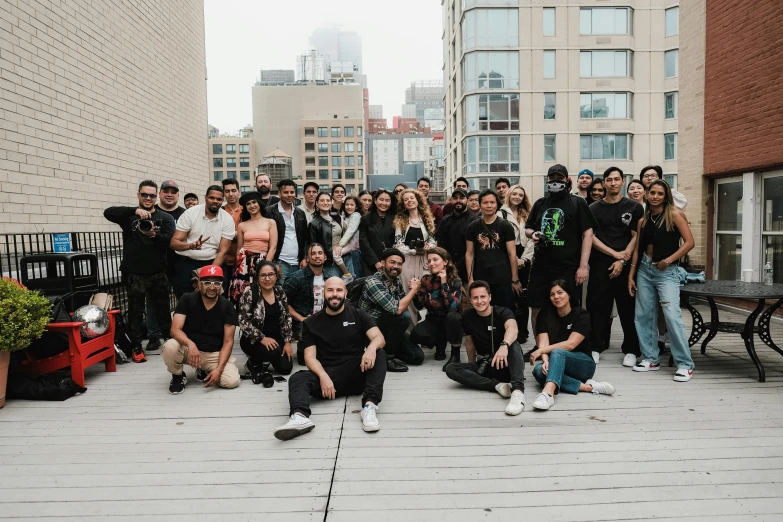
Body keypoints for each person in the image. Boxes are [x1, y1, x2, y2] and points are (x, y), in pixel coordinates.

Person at [273, 277, 386, 440]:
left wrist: (371, 348)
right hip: (328, 381)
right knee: (297, 378)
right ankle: (299, 417)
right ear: (322, 293)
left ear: (345, 293)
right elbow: (309, 357)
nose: (335, 294)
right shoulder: (311, 323)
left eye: (339, 290)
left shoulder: (358, 314)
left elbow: (379, 338)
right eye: (330, 290)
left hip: (357, 374)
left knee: (379, 353)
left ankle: (369, 407)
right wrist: (323, 376)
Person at [629, 179, 696, 382]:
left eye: (660, 193)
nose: (656, 196)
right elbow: (637, 249)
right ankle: (651, 358)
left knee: (671, 315)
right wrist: (631, 276)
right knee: (643, 315)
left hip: (667, 271)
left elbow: (690, 242)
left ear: (666, 196)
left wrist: (668, 260)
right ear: (647, 194)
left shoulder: (674, 215)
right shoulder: (643, 220)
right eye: (652, 193)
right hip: (644, 269)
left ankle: (685, 363)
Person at [104, 180, 175, 363]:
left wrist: (154, 235)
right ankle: (136, 347)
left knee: (163, 310)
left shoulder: (164, 217)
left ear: (156, 196)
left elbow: (169, 240)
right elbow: (108, 212)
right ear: (138, 195)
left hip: (158, 271)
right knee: (135, 311)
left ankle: (170, 343)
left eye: (152, 195)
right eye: (144, 195)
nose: (148, 198)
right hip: (134, 272)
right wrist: (133, 211)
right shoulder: (130, 216)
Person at [525, 164, 596, 335]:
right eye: (552, 178)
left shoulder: (577, 202)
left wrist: (583, 266)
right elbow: (528, 228)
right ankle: (540, 346)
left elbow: (588, 234)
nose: (555, 181)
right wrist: (533, 234)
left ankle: (565, 345)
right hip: (541, 266)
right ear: (547, 180)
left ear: (567, 180)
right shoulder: (540, 203)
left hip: (568, 266)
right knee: (537, 307)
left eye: (559, 178)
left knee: (569, 308)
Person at [528, 280, 615, 411]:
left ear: (569, 294)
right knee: (538, 370)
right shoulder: (545, 315)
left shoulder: (581, 315)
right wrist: (545, 360)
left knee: (557, 352)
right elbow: (543, 343)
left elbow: (571, 344)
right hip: (557, 363)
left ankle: (548, 394)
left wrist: (541, 351)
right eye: (552, 294)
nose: (556, 297)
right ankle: (589, 387)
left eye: (560, 292)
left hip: (583, 364)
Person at [587, 167, 643, 367]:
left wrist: (622, 260)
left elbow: (636, 236)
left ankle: (631, 349)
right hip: (601, 263)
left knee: (628, 307)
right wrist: (614, 255)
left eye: (616, 179)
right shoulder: (594, 208)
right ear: (604, 184)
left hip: (625, 265)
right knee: (598, 306)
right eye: (609, 180)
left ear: (622, 182)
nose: (612, 183)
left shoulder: (634, 207)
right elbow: (590, 237)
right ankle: (595, 347)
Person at [445, 281, 526, 416]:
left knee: (513, 343)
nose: (479, 301)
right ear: (471, 299)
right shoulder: (468, 316)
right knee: (451, 369)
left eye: (483, 297)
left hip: (507, 364)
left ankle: (517, 391)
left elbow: (513, 329)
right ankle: (498, 386)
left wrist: (504, 345)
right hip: (487, 365)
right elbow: (469, 342)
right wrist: (473, 367)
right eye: (475, 298)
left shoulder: (503, 312)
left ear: (490, 297)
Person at [163, 265, 241, 394]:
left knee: (231, 381)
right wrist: (190, 343)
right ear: (199, 284)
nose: (212, 287)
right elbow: (175, 330)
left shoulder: (227, 306)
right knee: (170, 345)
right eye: (207, 283)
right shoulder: (187, 299)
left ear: (221, 285)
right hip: (190, 351)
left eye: (216, 283)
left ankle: (204, 369)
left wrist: (219, 369)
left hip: (214, 354)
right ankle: (178, 376)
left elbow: (228, 342)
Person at [358, 248, 425, 372]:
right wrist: (414, 290)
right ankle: (387, 357)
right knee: (404, 317)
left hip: (389, 328)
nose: (396, 266)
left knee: (417, 357)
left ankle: (385, 349)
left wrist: (414, 292)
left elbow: (404, 302)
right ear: (383, 263)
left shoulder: (396, 282)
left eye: (399, 264)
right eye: (392, 262)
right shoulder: (373, 282)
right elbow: (397, 309)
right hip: (370, 330)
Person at [170, 185, 235, 297]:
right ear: (205, 198)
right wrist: (190, 245)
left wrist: (207, 275)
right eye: (212, 198)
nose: (215, 201)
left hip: (213, 262)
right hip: (187, 262)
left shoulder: (227, 219)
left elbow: (222, 252)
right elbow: (173, 243)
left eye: (219, 199)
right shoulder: (190, 213)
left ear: (222, 201)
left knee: (216, 301)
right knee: (186, 302)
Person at [145, 179, 185, 352]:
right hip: (155, 264)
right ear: (160, 194)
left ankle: (182, 332)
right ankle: (154, 335)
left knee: (183, 300)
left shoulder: (185, 214)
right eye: (166, 191)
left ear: (178, 195)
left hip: (179, 263)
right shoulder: (151, 212)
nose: (169, 194)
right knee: (154, 302)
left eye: (173, 192)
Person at [465, 189, 521, 310]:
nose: (489, 206)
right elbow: (469, 254)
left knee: (504, 311)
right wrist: (471, 280)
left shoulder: (505, 225)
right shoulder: (472, 227)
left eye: (492, 202)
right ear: (480, 205)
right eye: (485, 203)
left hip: (502, 277)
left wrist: (515, 279)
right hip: (481, 277)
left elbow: (512, 253)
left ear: (497, 204)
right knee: (483, 310)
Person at [238, 261, 294, 378]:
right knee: (273, 352)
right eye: (263, 275)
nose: (267, 279)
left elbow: (287, 317)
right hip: (253, 339)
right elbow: (243, 322)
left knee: (285, 368)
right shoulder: (250, 293)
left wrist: (287, 342)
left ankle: (267, 357)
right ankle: (253, 362)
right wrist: (262, 338)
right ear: (257, 277)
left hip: (276, 336)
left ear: (276, 276)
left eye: (271, 274)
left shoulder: (280, 292)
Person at [410, 248, 463, 365]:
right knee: (416, 334)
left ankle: (455, 355)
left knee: (452, 317)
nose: (431, 263)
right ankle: (439, 342)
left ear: (445, 261)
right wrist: (414, 291)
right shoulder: (426, 280)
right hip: (434, 319)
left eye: (435, 260)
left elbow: (453, 307)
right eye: (429, 261)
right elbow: (420, 306)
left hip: (450, 320)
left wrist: (443, 282)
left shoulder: (455, 281)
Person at [394, 188, 436, 325]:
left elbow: (433, 241)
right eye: (406, 199)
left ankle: (424, 329)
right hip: (407, 261)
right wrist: (414, 250)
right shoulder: (401, 220)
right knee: (409, 294)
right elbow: (398, 244)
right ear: (403, 204)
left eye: (411, 198)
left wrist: (428, 246)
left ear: (417, 200)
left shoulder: (426, 218)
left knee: (425, 293)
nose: (409, 201)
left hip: (424, 260)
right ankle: (411, 331)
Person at [228, 191, 277, 303]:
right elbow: (239, 249)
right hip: (244, 262)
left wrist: (266, 265)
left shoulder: (270, 222)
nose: (252, 206)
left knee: (261, 293)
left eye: (254, 202)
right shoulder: (242, 225)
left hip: (263, 260)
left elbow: (273, 247)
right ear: (245, 207)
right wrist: (238, 266)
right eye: (248, 204)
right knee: (241, 294)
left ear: (259, 203)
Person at [501, 185, 534, 344]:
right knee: (508, 296)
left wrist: (525, 259)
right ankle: (508, 330)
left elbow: (533, 240)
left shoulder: (528, 214)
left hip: (525, 258)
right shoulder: (501, 213)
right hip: (507, 259)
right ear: (509, 194)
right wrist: (513, 260)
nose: (517, 197)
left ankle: (522, 332)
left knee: (523, 297)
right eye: (514, 193)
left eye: (520, 194)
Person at [284, 243, 327, 360]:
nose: (317, 256)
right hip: (302, 323)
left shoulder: (329, 278)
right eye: (313, 254)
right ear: (307, 259)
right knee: (305, 359)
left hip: (323, 322)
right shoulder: (297, 277)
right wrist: (301, 318)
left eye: (320, 253)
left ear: (325, 257)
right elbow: (282, 302)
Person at [266, 179, 308, 282]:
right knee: (280, 294)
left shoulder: (300, 213)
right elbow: (266, 240)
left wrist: (304, 258)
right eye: (286, 192)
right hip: (280, 262)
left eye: (292, 192)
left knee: (296, 295)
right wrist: (273, 262)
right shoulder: (269, 212)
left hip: (298, 263)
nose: (289, 195)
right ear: (279, 194)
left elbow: (305, 238)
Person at [437, 188, 477, 282]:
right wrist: (448, 265)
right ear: (451, 200)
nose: (458, 201)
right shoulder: (445, 220)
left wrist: (457, 266)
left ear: (467, 200)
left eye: (462, 198)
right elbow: (441, 245)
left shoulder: (474, 221)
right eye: (455, 198)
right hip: (448, 270)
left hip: (468, 272)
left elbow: (474, 250)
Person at [359, 189, 396, 276]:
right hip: (371, 263)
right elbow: (364, 243)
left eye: (387, 200)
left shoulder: (395, 219)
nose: (384, 203)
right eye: (381, 199)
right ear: (375, 201)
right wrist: (375, 261)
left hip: (390, 263)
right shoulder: (366, 219)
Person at [309, 192, 346, 278]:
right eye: (322, 200)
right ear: (317, 204)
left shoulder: (337, 217)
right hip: (330, 261)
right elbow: (313, 246)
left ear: (331, 202)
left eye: (328, 200)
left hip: (344, 256)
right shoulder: (314, 223)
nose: (325, 203)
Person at [221, 178, 243, 293]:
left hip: (241, 261)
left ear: (239, 192)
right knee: (223, 293)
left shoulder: (247, 211)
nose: (231, 194)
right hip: (223, 260)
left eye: (234, 190)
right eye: (227, 191)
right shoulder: (219, 211)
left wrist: (229, 234)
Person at [337, 195, 363, 278]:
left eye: (352, 205)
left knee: (355, 275)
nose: (349, 207)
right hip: (348, 248)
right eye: (347, 204)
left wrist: (340, 245)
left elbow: (350, 231)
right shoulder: (346, 216)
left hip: (353, 249)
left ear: (356, 206)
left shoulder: (356, 215)